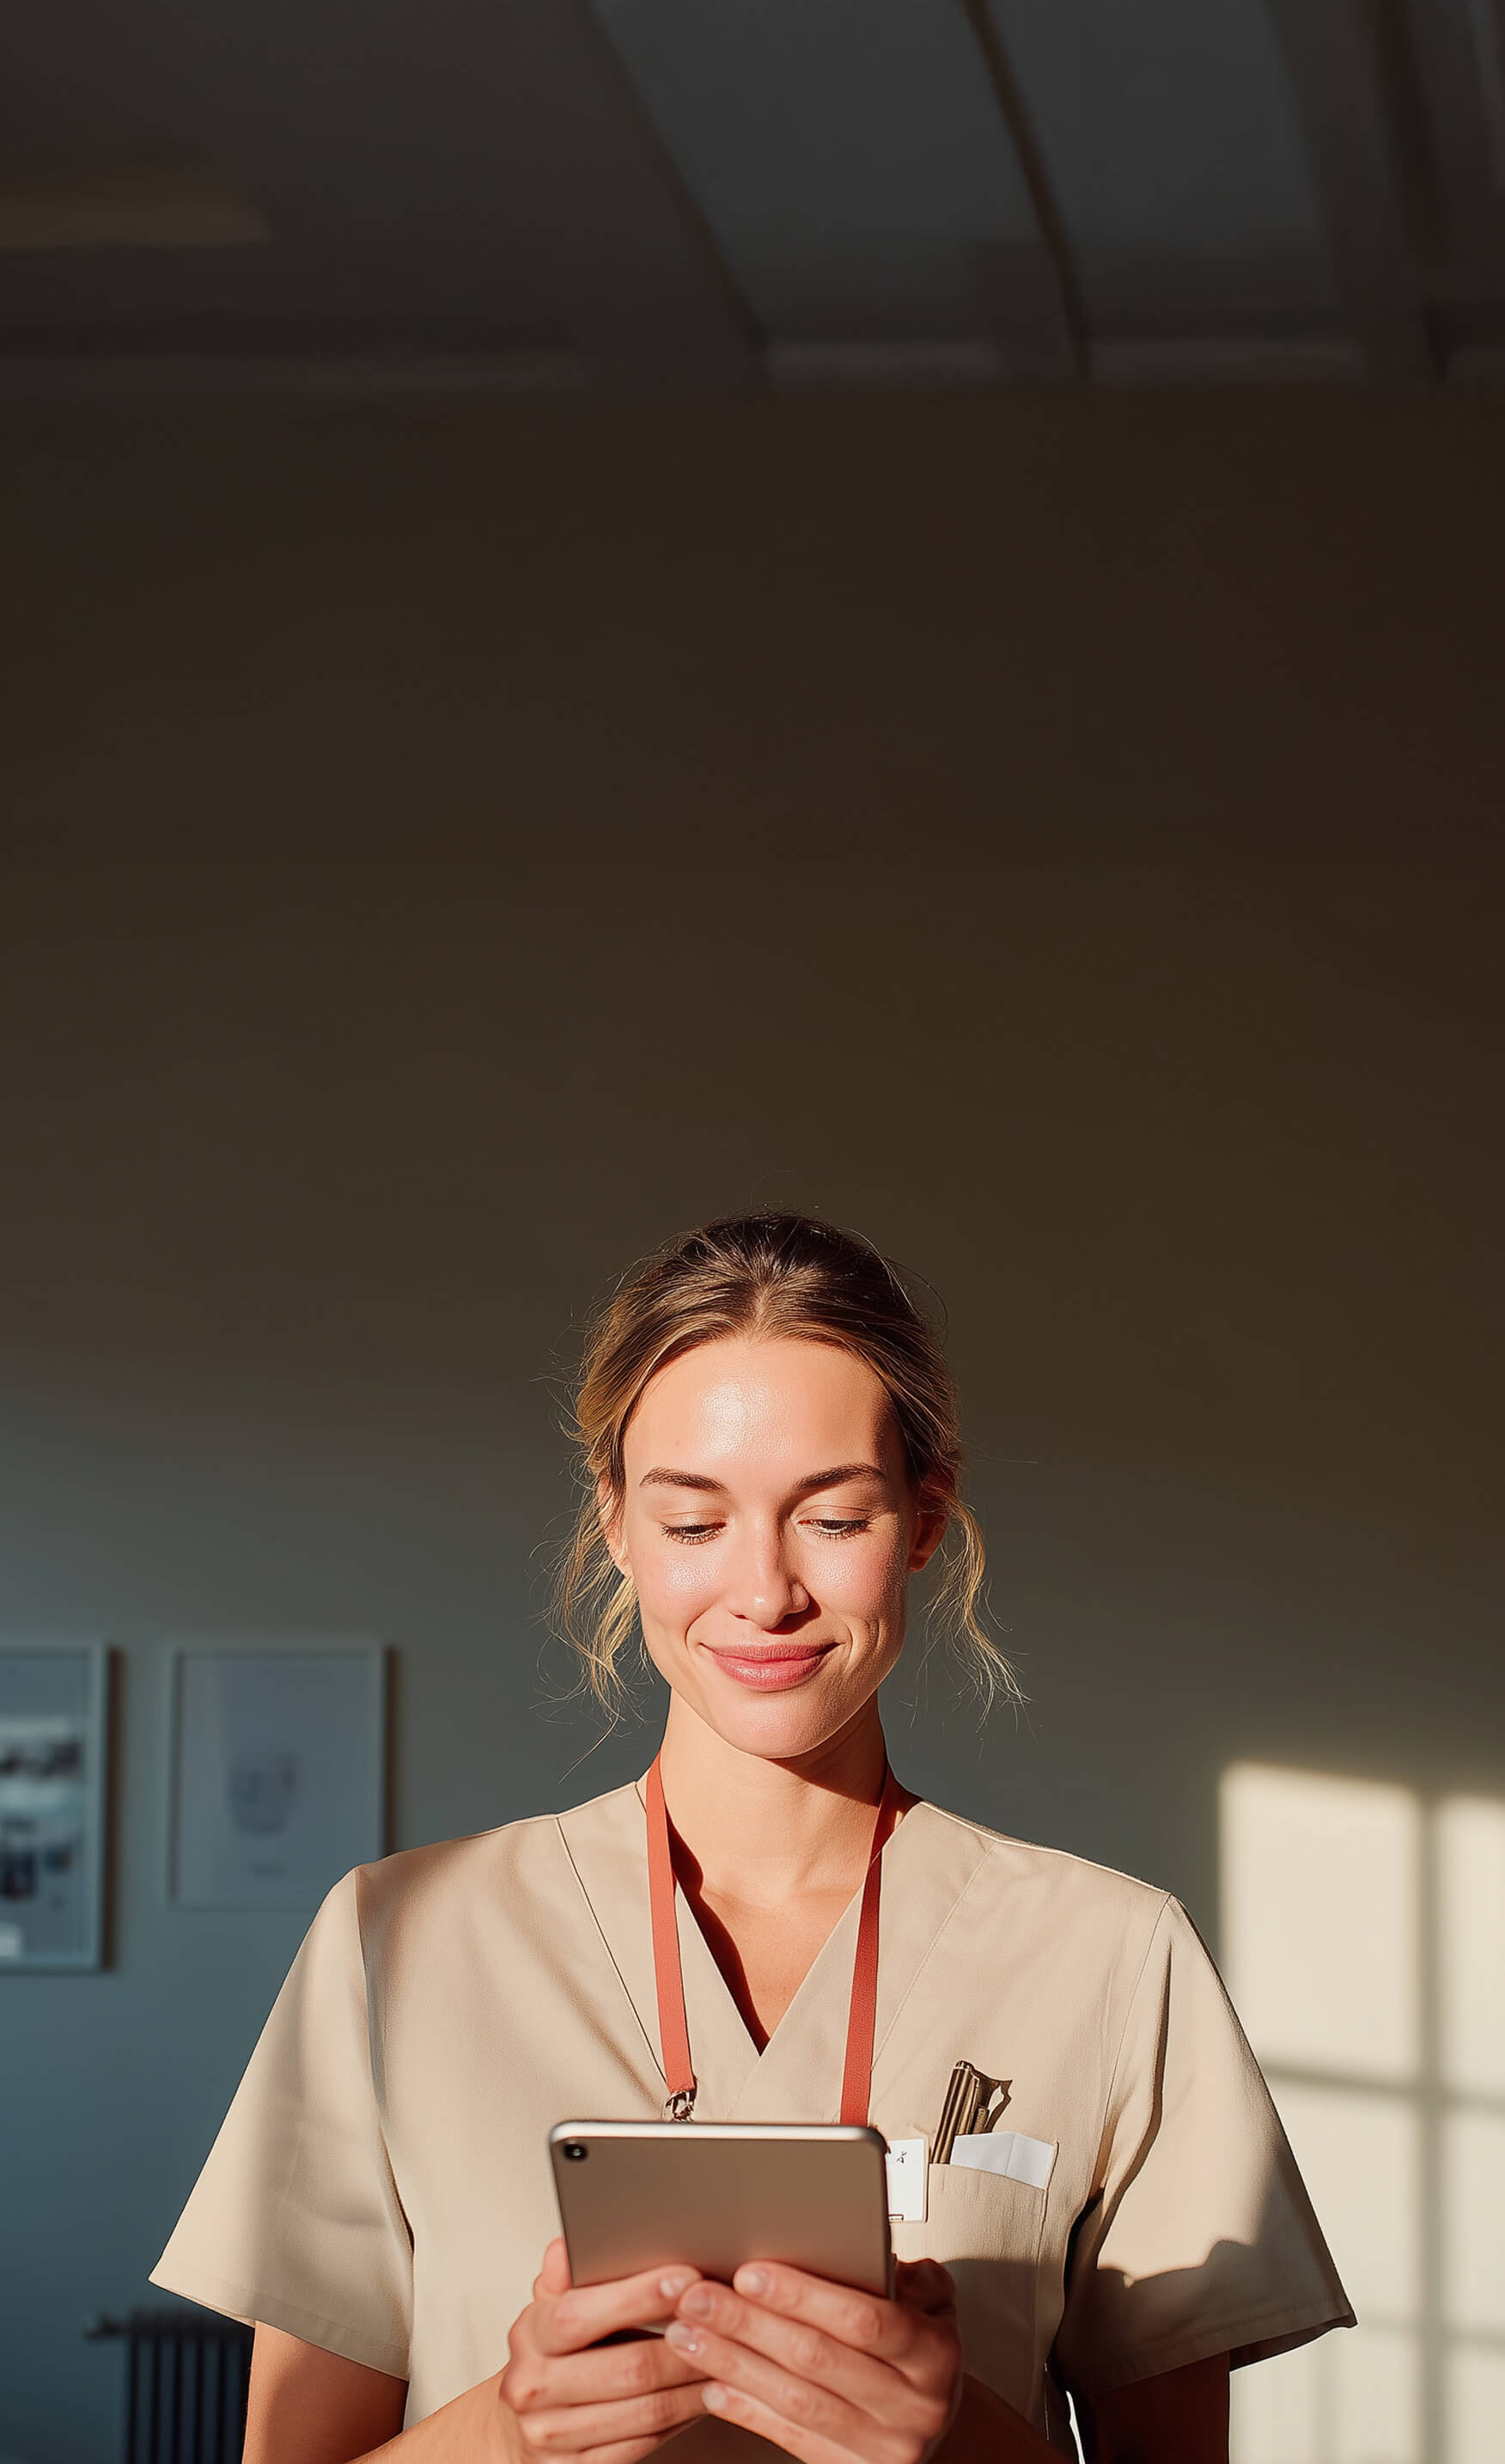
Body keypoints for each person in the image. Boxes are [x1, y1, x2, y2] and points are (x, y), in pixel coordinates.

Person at [152, 1212, 1353, 2463]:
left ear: (924, 1523)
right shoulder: (395, 1941)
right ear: (615, 1524)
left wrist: (952, 2439)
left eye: (832, 1519)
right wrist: (509, 2428)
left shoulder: (1114, 1959)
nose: (766, 1591)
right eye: (692, 1523)